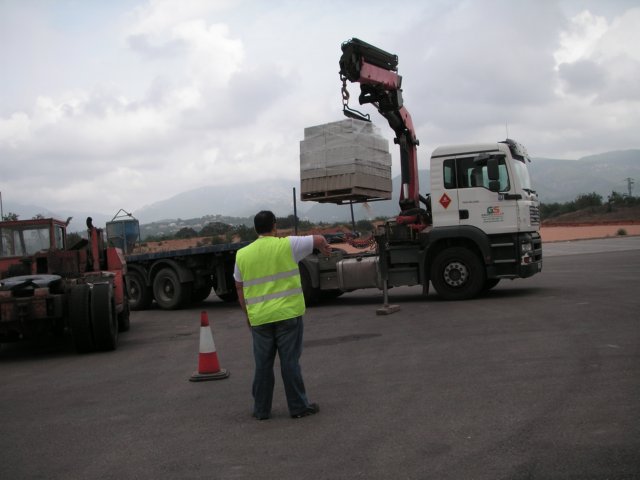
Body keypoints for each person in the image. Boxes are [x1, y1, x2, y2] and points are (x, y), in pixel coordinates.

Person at [234, 210, 331, 420]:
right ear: (274, 226)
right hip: (288, 315)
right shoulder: (288, 245)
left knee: (262, 365)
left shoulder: (242, 254)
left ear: (255, 229)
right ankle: (298, 407)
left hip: (260, 318)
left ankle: (261, 410)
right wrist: (324, 246)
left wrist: (248, 315)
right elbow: (318, 239)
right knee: (290, 362)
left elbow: (240, 288)